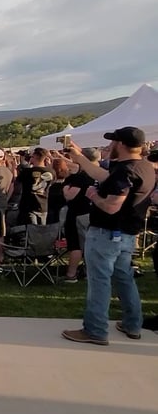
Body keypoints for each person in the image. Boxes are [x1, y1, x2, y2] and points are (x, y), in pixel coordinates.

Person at [62, 127, 155, 345]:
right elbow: (102, 175)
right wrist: (80, 157)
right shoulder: (143, 166)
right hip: (126, 235)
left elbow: (112, 206)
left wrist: (94, 196)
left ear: (121, 144)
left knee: (99, 282)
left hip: (106, 234)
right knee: (125, 279)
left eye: (113, 142)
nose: (109, 146)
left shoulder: (125, 171)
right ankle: (133, 324)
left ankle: (95, 330)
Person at [60, 148, 99, 282]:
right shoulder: (99, 173)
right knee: (90, 245)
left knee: (75, 245)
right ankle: (90, 272)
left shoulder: (83, 175)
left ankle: (71, 274)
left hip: (78, 212)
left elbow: (70, 195)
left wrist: (65, 187)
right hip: (92, 211)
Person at [16, 147, 53, 225]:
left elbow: (17, 181)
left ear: (35, 157)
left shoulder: (27, 172)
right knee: (41, 231)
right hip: (43, 205)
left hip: (29, 206)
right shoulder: (51, 172)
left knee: (31, 231)